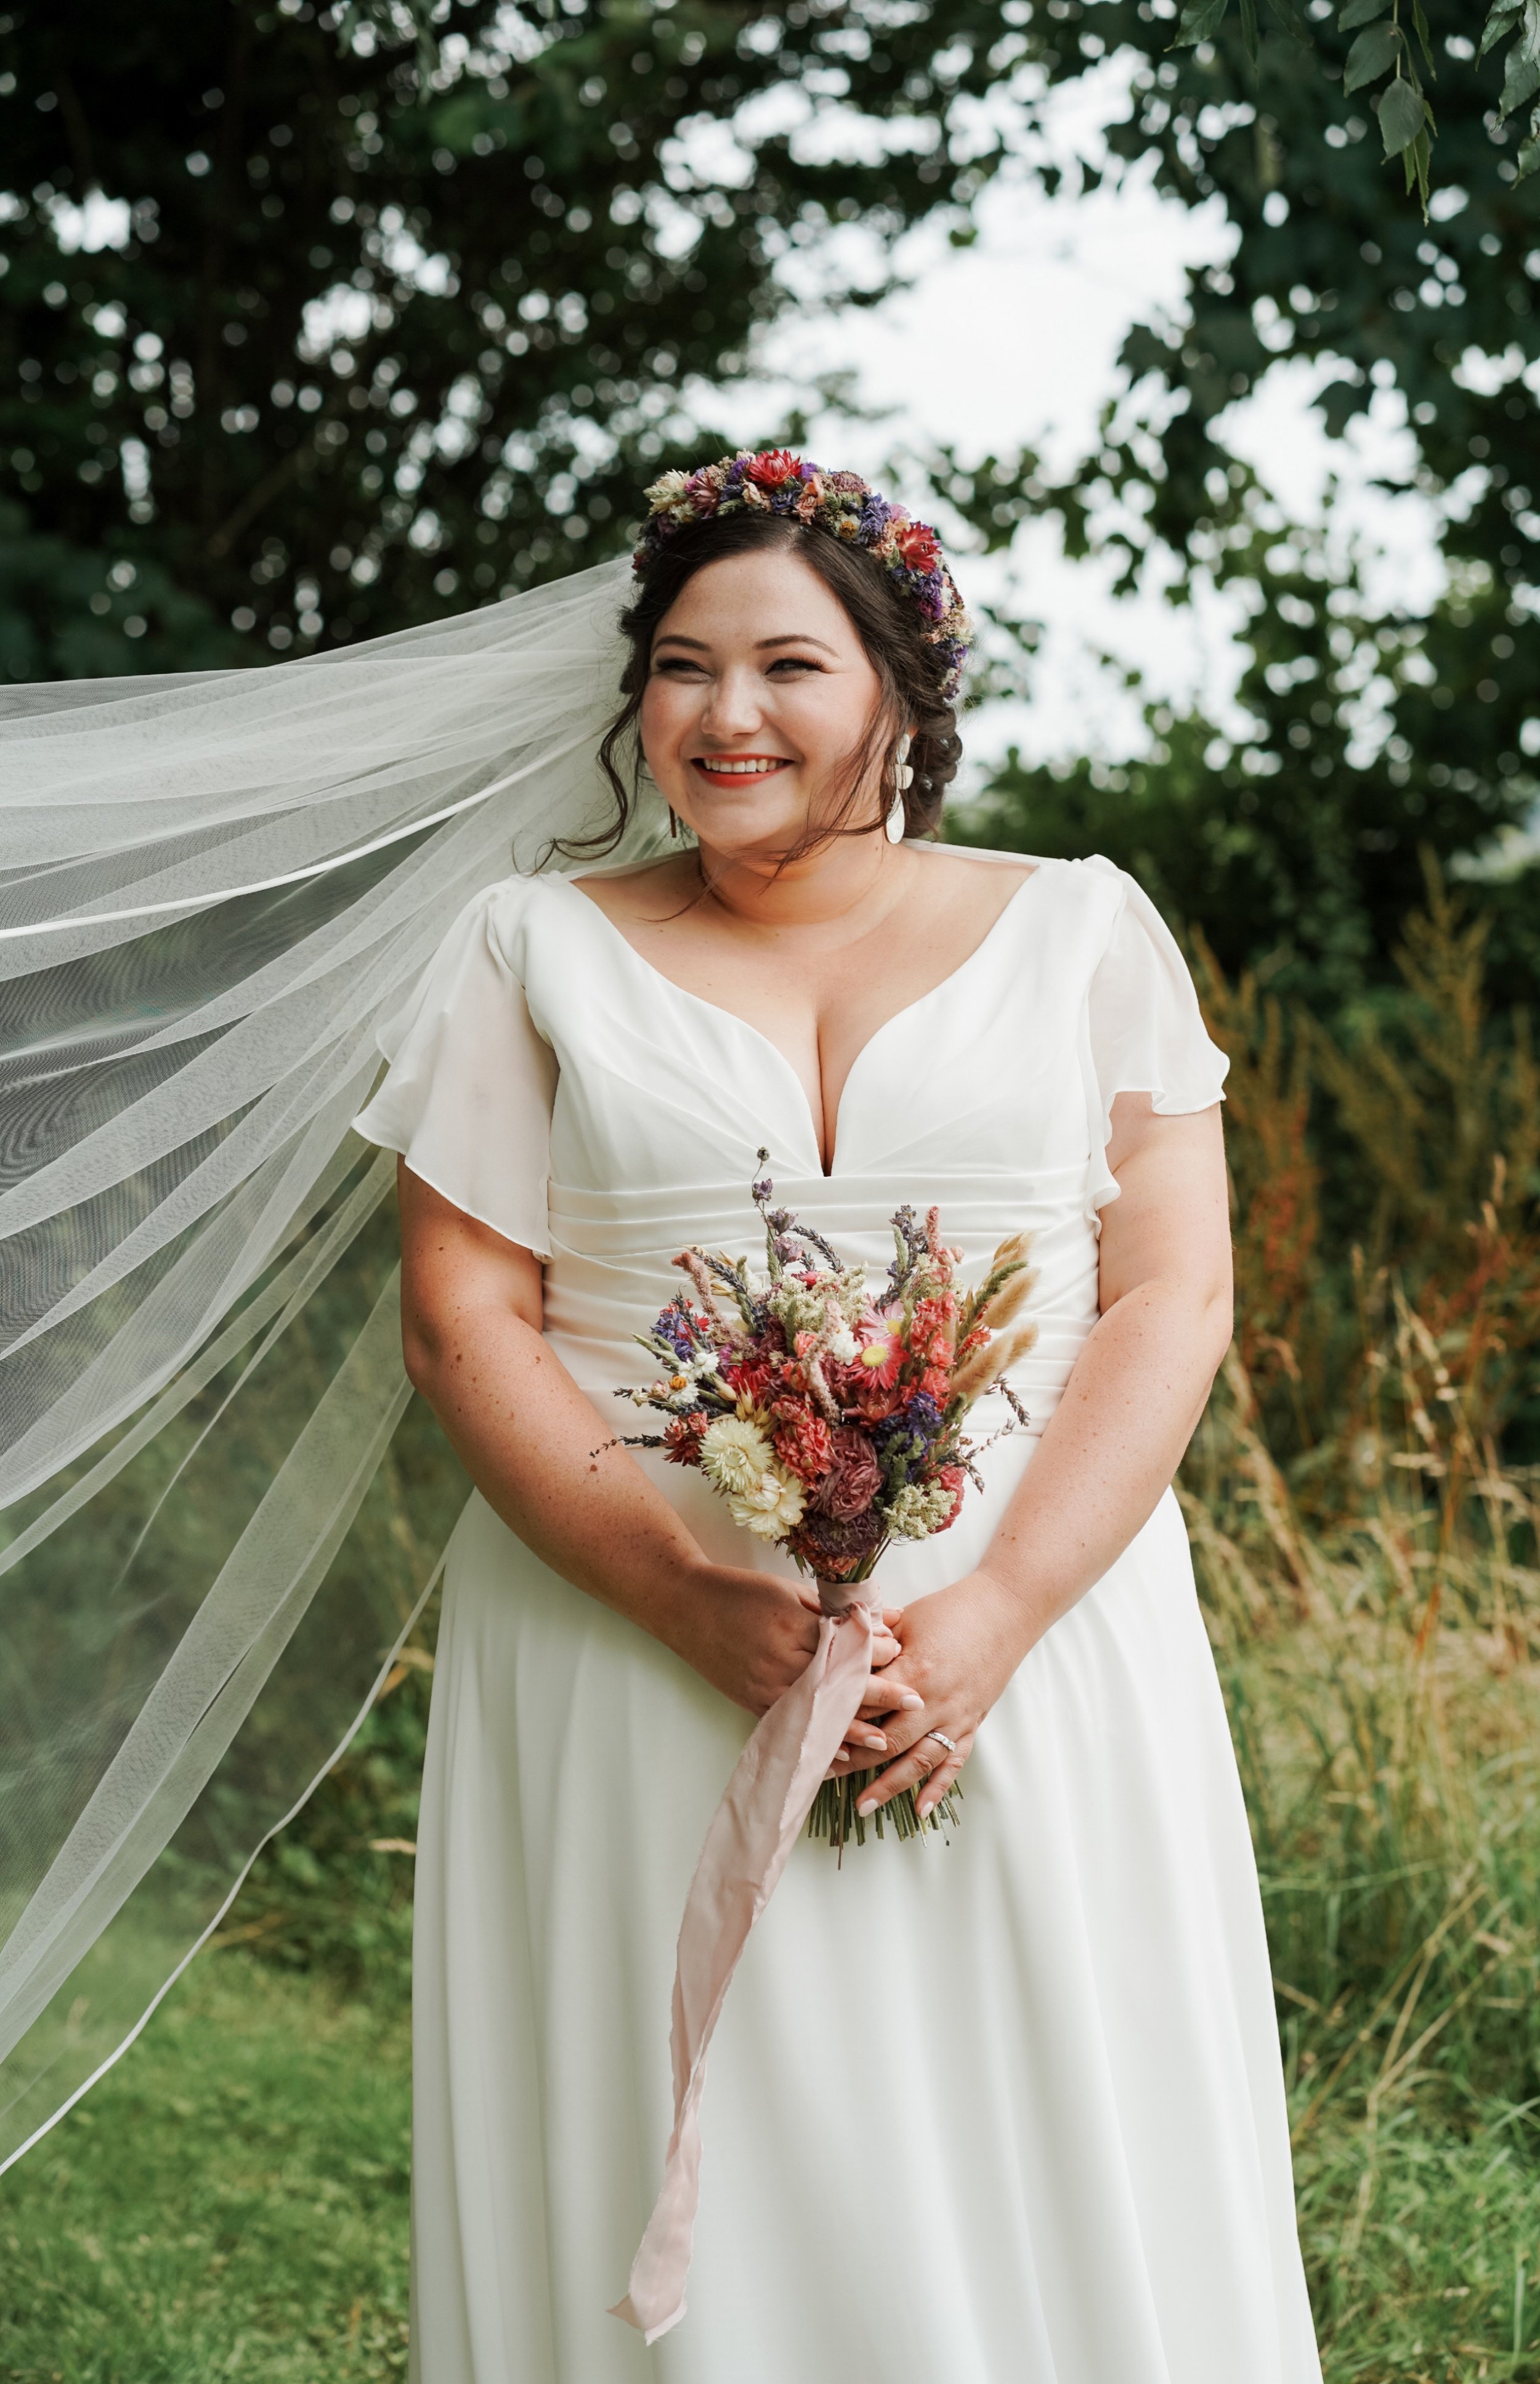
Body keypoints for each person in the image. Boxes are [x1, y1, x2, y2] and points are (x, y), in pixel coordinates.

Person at [351, 452, 1324, 2383]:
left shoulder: (1080, 931)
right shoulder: (526, 948)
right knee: (692, 2115)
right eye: (683, 667)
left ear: (901, 686)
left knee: (1033, 2109)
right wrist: (675, 1589)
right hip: (624, 1632)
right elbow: (467, 1320)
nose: (725, 717)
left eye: (787, 663)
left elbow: (1168, 1291)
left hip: (1032, 1637)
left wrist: (995, 1619)